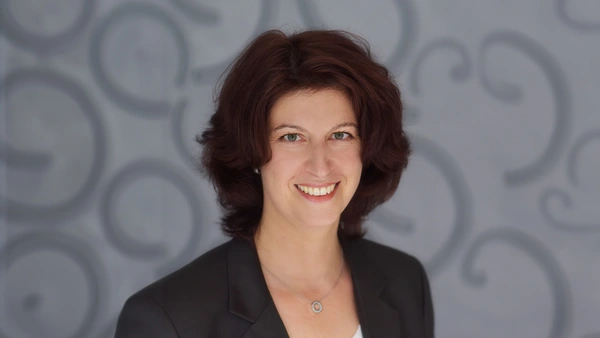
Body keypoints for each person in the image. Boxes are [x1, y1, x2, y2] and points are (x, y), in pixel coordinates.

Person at [115, 29, 434, 338]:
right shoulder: (166, 320)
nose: (320, 165)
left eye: (340, 135)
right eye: (291, 137)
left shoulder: (404, 282)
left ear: (368, 148)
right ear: (252, 153)